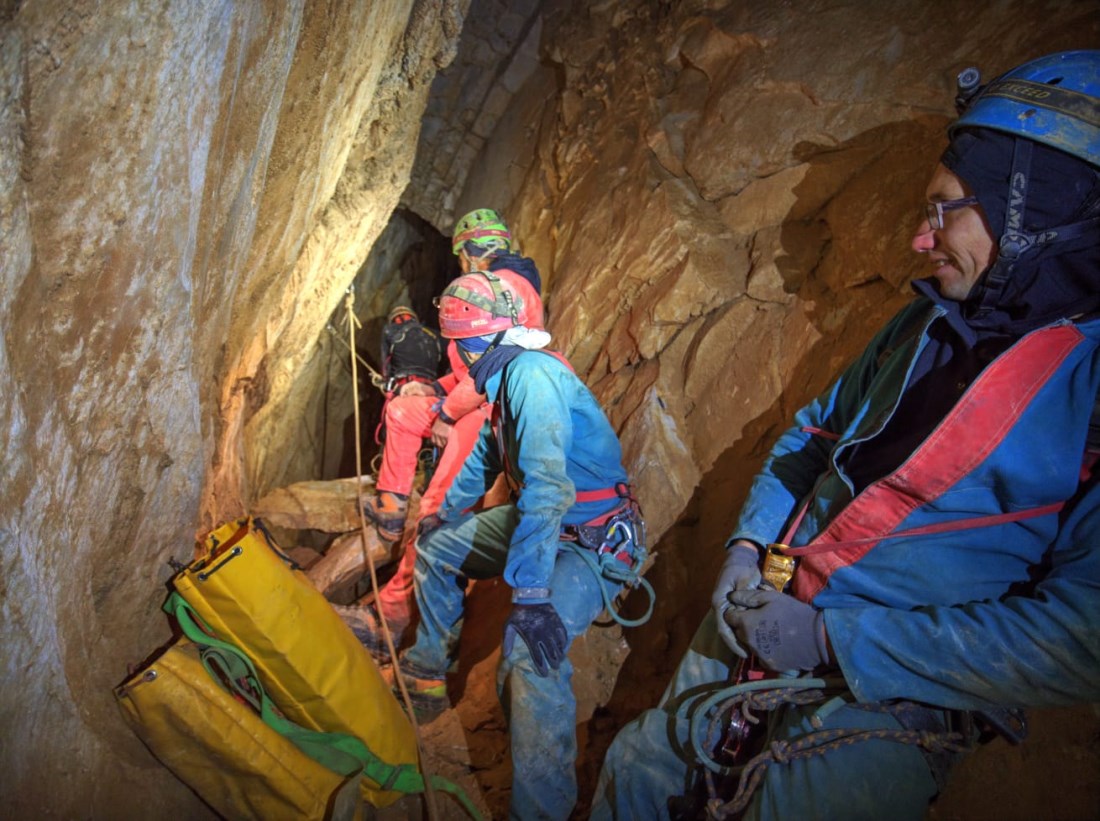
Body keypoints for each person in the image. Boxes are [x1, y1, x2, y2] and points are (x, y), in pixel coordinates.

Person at [591, 50, 1100, 820]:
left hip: (884, 693)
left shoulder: (1090, 389)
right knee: (639, 767)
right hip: (763, 606)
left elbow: (1083, 636)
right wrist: (744, 550)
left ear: (1036, 211)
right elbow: (813, 434)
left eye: (948, 209)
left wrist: (836, 642)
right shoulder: (922, 324)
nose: (923, 241)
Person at [366, 267, 647, 820]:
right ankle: (426, 674)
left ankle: (541, 812)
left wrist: (533, 593)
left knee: (529, 654)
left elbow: (547, 488)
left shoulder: (531, 377)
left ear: (478, 342)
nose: (459, 358)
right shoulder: (505, 378)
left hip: (591, 542)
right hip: (545, 522)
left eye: (461, 346)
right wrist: (441, 515)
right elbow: (487, 459)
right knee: (439, 548)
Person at [345, 210, 543, 652]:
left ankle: (391, 616)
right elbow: (468, 366)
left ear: (469, 254)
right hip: (467, 400)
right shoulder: (497, 283)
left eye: (462, 257)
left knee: (437, 512)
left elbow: (493, 367)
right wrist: (432, 390)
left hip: (486, 416)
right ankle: (391, 508)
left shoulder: (511, 288)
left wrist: (447, 414)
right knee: (401, 410)